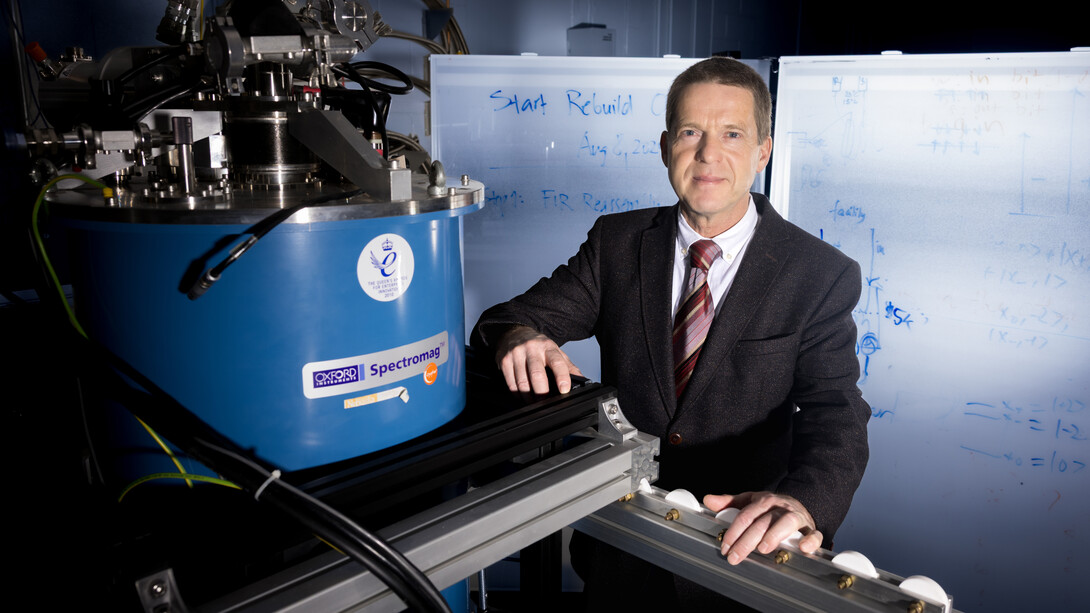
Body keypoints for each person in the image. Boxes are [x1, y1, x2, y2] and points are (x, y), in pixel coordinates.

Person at [471, 57, 869, 609]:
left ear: (763, 152)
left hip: (744, 555)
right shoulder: (617, 243)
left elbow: (838, 412)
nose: (709, 153)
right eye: (691, 132)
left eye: (732, 134)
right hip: (623, 551)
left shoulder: (820, 273)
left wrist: (803, 503)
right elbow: (509, 319)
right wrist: (519, 336)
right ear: (665, 147)